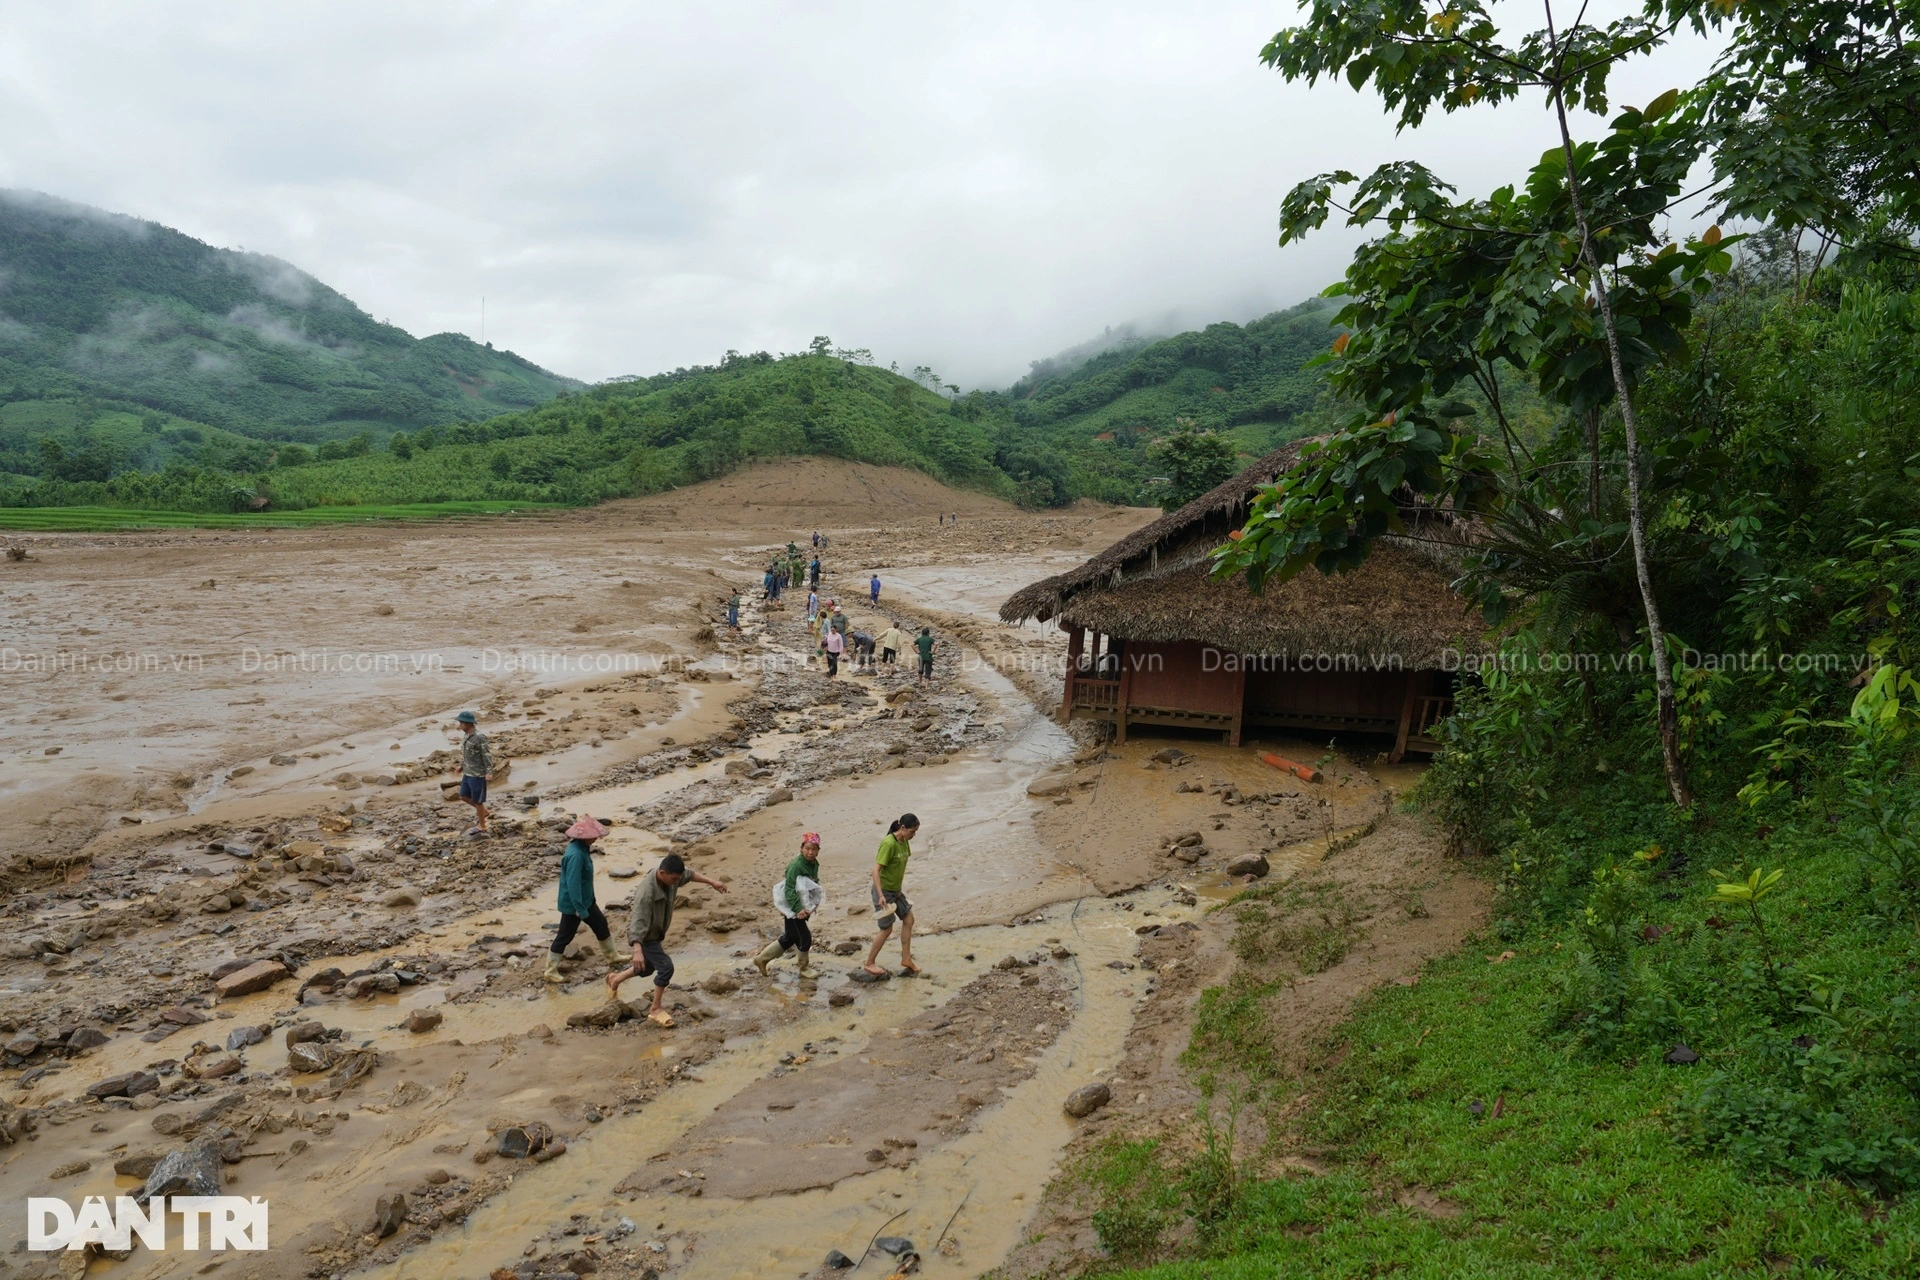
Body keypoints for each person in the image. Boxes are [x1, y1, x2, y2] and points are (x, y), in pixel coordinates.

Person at [607, 853, 728, 1027]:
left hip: (656, 932)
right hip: (645, 935)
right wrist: (637, 950)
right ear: (662, 873)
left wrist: (712, 882)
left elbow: (689, 874)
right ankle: (655, 1009)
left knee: (647, 968)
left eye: (677, 878)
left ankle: (615, 979)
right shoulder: (646, 894)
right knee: (666, 967)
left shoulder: (671, 878)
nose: (676, 882)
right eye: (674, 879)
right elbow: (637, 924)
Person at [546, 816, 622, 982]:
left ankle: (613, 956)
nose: (596, 838)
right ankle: (550, 970)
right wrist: (579, 909)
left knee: (601, 924)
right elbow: (573, 885)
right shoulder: (576, 856)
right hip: (575, 904)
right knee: (565, 936)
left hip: (586, 900)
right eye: (594, 836)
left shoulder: (582, 848)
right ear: (585, 836)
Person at [755, 832, 824, 975]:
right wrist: (798, 909)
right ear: (801, 848)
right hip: (792, 906)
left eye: (814, 849)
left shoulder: (813, 863)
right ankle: (803, 968)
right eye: (807, 849)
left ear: (818, 850)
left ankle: (761, 959)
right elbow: (790, 889)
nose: (810, 852)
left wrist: (812, 904)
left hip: (801, 904)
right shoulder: (796, 866)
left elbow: (811, 883)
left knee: (789, 938)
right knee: (804, 938)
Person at [864, 813, 920, 976]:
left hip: (896, 892)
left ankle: (906, 958)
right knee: (886, 929)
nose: (913, 835)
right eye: (912, 832)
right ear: (902, 828)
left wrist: (899, 889)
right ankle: (869, 963)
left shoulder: (904, 842)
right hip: (883, 892)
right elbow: (875, 870)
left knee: (909, 918)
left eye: (916, 832)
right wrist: (881, 895)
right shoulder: (888, 844)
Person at [454, 711, 491, 835]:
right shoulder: (466, 736)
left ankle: (482, 825)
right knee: (463, 796)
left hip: (478, 774)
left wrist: (489, 772)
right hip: (468, 772)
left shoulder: (479, 737)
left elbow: (486, 755)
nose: (460, 725)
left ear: (468, 724)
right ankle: (484, 812)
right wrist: (461, 766)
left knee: (478, 801)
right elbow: (467, 754)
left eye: (461, 723)